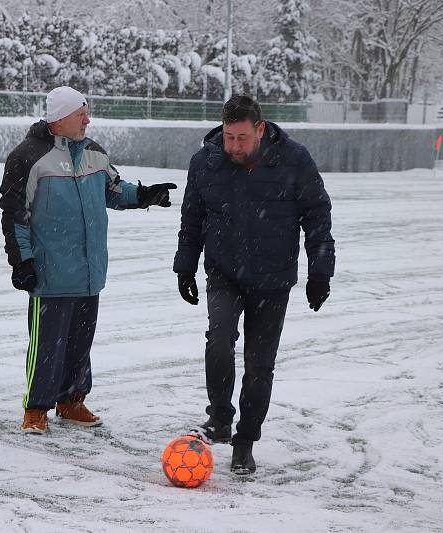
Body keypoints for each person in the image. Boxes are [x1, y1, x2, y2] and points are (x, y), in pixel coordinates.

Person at [0, 86, 177, 434]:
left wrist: (144, 195)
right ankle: (36, 408)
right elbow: (15, 215)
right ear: (59, 118)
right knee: (47, 345)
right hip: (49, 272)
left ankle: (72, 400)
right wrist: (22, 261)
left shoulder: (94, 153)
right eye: (81, 113)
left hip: (89, 270)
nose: (87, 119)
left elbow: (113, 190)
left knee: (80, 342)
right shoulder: (28, 157)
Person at [173, 95, 335, 475]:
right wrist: (185, 268)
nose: (235, 146)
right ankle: (220, 419)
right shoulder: (207, 161)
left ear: (260, 129)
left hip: (272, 279)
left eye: (242, 138)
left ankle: (245, 440)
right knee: (219, 339)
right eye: (229, 137)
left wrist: (320, 272)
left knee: (260, 365)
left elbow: (317, 216)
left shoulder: (294, 160)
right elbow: (191, 218)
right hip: (224, 273)